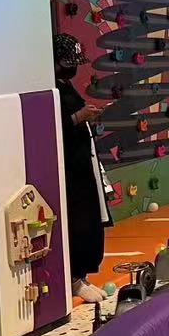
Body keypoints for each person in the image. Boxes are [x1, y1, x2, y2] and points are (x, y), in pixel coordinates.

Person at [54, 33, 113, 288]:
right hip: (71, 171)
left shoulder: (66, 86)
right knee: (78, 221)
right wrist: (79, 117)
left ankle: (82, 276)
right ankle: (74, 278)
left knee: (90, 220)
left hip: (83, 165)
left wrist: (87, 116)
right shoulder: (52, 90)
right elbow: (52, 127)